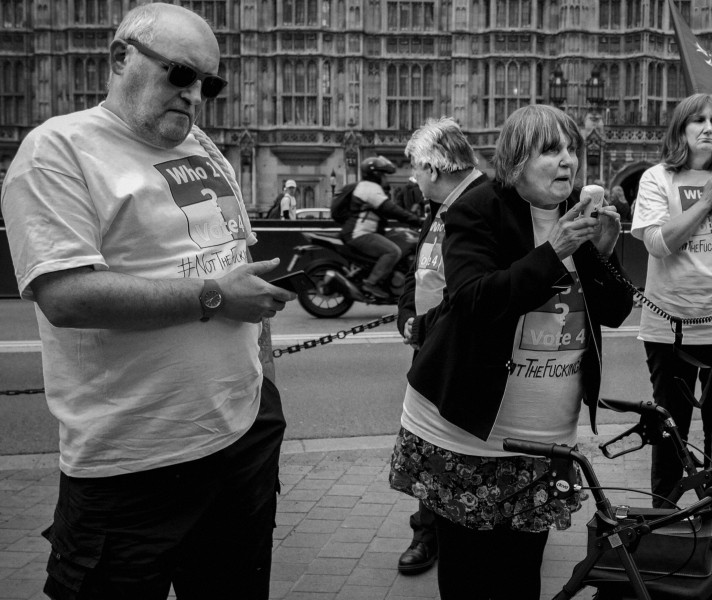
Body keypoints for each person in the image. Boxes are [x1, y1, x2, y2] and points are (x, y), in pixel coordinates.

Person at [0, 4, 293, 599]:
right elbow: (68, 296)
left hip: (242, 441)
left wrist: (262, 379)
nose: (194, 96)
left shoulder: (203, 147)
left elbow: (236, 258)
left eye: (209, 84)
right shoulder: (58, 150)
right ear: (119, 58)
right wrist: (217, 296)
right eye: (180, 75)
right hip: (133, 464)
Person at [388, 104, 634, 599]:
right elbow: (476, 300)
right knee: (469, 579)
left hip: (545, 440)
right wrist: (555, 251)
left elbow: (614, 311)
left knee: (522, 577)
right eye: (550, 150)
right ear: (517, 160)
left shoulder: (574, 216)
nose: (567, 161)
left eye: (571, 150)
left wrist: (603, 253)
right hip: (468, 433)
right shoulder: (476, 208)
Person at [629, 92, 712, 539]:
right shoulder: (656, 179)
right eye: (697, 120)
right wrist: (703, 204)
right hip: (671, 327)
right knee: (669, 428)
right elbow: (658, 244)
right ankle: (662, 512)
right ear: (680, 129)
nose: (709, 128)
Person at [392, 116, 488, 575]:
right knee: (428, 444)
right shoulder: (443, 203)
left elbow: (475, 288)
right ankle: (430, 531)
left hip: (457, 348)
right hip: (429, 341)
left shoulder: (482, 203)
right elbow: (422, 270)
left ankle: (438, 536)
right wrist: (408, 317)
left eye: (416, 168)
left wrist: (427, 326)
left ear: (434, 167)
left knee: (446, 447)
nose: (413, 178)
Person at [339, 155, 422, 300]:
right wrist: (417, 221)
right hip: (359, 234)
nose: (386, 179)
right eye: (384, 174)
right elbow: (391, 209)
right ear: (376, 175)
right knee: (393, 251)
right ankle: (371, 283)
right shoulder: (369, 189)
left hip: (364, 232)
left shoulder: (368, 187)